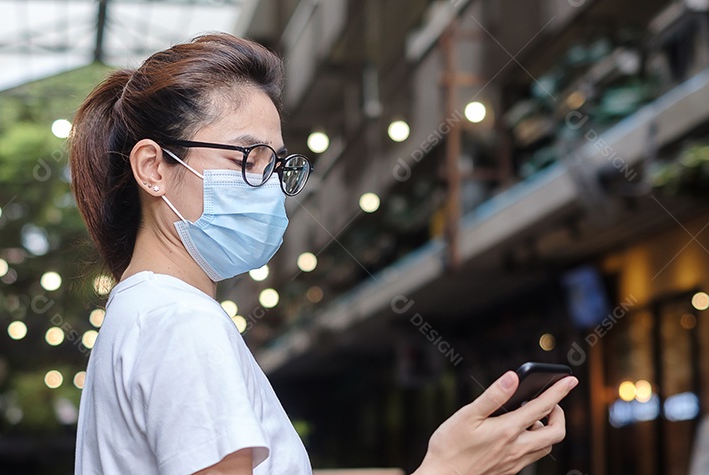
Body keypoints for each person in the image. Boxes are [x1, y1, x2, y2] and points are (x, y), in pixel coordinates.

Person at [69, 32, 578, 475]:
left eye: (276, 165)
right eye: (248, 157)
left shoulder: (141, 313)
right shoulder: (181, 322)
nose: (268, 186)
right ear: (153, 168)